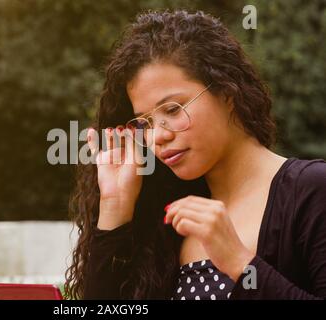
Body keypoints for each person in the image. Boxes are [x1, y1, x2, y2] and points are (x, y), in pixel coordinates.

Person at [64, 10, 326, 300]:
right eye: (145, 123)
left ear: (228, 93)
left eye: (173, 110)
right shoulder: (170, 214)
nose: (158, 136)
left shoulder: (312, 190)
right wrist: (116, 208)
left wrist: (242, 265)